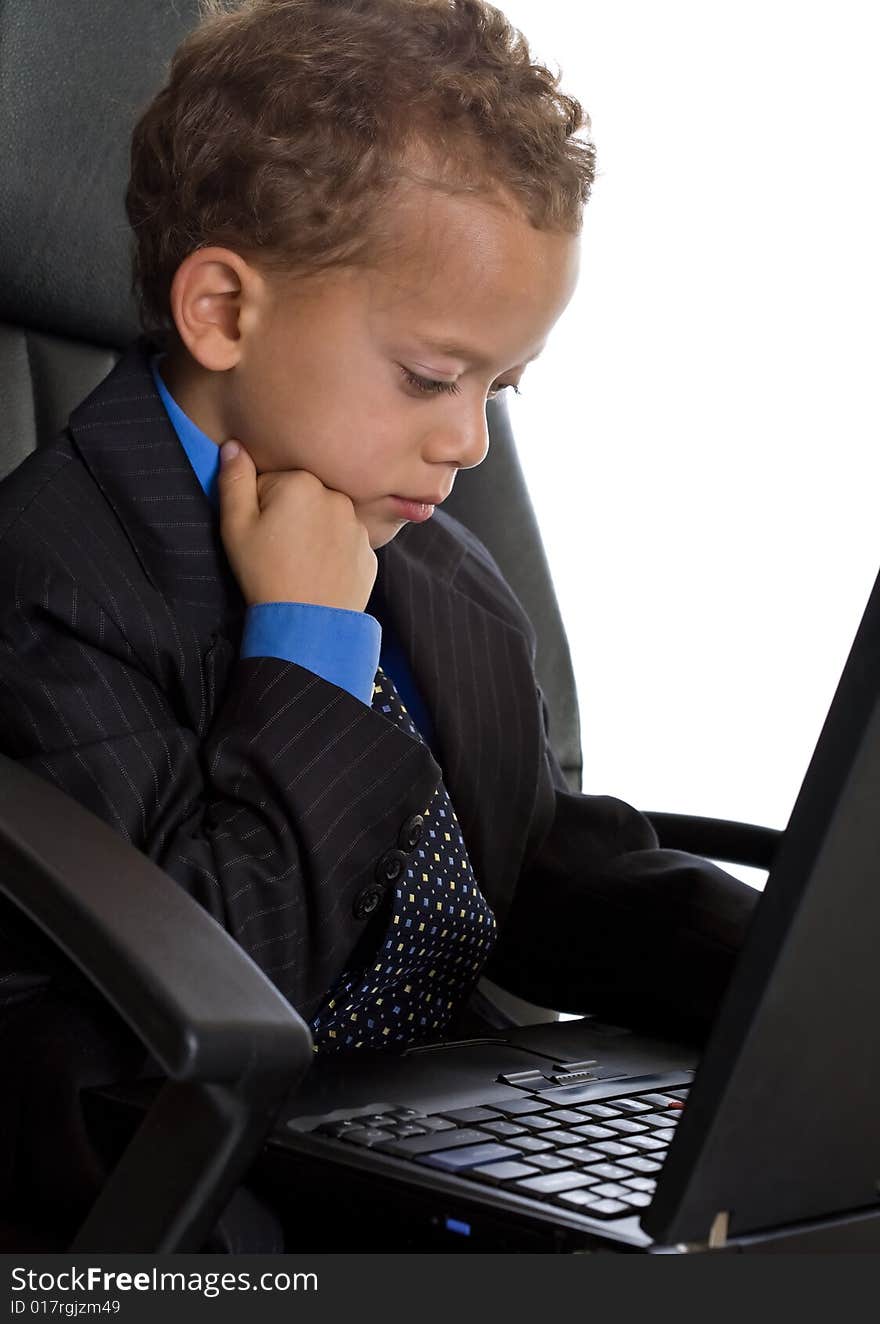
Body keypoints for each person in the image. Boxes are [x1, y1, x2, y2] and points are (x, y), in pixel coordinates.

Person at [0, 0, 757, 1245]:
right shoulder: (50, 585)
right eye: (429, 376)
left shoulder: (434, 567)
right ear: (225, 312)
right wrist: (301, 642)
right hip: (190, 1184)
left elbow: (519, 862)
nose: (468, 442)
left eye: (498, 389)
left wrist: (785, 983)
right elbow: (207, 1003)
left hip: (419, 1129)